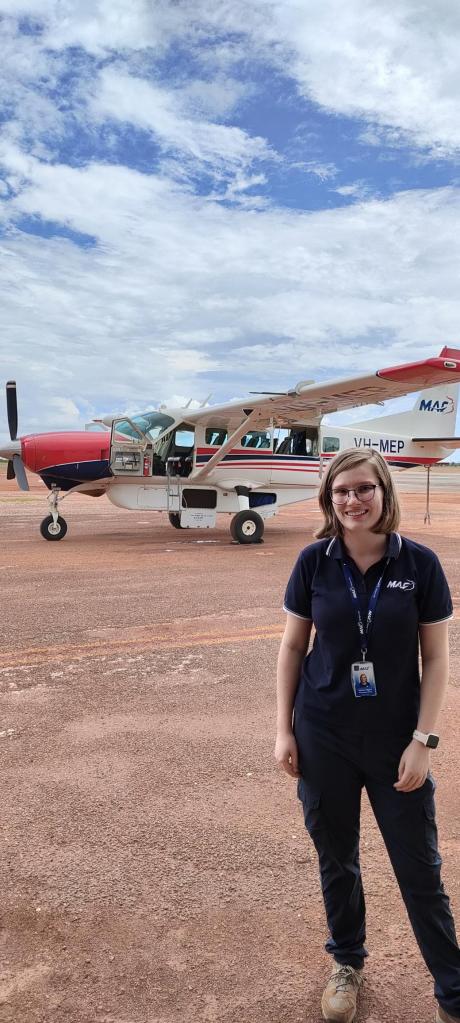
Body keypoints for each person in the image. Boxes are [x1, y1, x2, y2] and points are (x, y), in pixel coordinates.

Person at [275, 448, 460, 1023]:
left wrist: (423, 741)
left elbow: (436, 657)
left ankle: (452, 989)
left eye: (363, 489)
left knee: (418, 866)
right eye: (340, 492)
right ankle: (347, 962)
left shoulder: (420, 564)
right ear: (329, 500)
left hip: (394, 740)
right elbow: (291, 647)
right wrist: (283, 728)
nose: (352, 501)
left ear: (384, 492)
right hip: (323, 731)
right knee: (337, 857)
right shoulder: (313, 562)